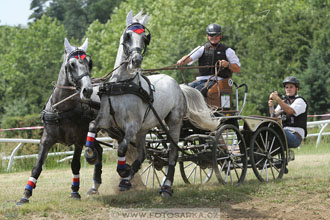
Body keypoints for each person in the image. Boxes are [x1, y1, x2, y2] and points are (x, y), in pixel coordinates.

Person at [177, 23, 241, 96]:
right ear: (207, 36)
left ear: (220, 36)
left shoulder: (228, 51)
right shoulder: (201, 49)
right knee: (182, 90)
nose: (213, 37)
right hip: (201, 80)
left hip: (219, 81)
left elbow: (237, 69)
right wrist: (182, 60)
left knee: (197, 91)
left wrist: (227, 65)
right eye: (211, 35)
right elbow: (189, 58)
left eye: (216, 35)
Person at [268, 76, 308, 148]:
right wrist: (271, 106)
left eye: (291, 87)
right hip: (284, 132)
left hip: (295, 136)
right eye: (286, 87)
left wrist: (277, 98)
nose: (288, 89)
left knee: (275, 131)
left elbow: (289, 111)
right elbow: (273, 116)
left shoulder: (300, 101)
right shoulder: (284, 102)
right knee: (266, 131)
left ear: (296, 89)